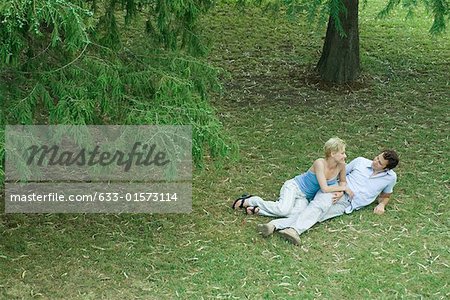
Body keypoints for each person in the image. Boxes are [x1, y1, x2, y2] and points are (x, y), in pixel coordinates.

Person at [258, 150, 399, 245]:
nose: (375, 161)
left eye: (380, 163)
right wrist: (340, 189)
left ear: (386, 169)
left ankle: (274, 225)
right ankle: (294, 230)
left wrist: (382, 205)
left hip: (348, 205)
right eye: (377, 157)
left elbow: (386, 195)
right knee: (317, 207)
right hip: (336, 192)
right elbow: (338, 173)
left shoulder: (390, 178)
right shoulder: (360, 162)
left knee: (317, 215)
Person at [231, 137, 352, 217]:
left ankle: (257, 210)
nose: (345, 156)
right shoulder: (319, 163)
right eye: (342, 153)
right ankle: (250, 200)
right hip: (295, 187)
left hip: (305, 197)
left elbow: (342, 182)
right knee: (283, 210)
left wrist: (341, 191)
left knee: (296, 214)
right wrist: (344, 189)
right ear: (332, 153)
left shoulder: (341, 165)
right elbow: (325, 188)